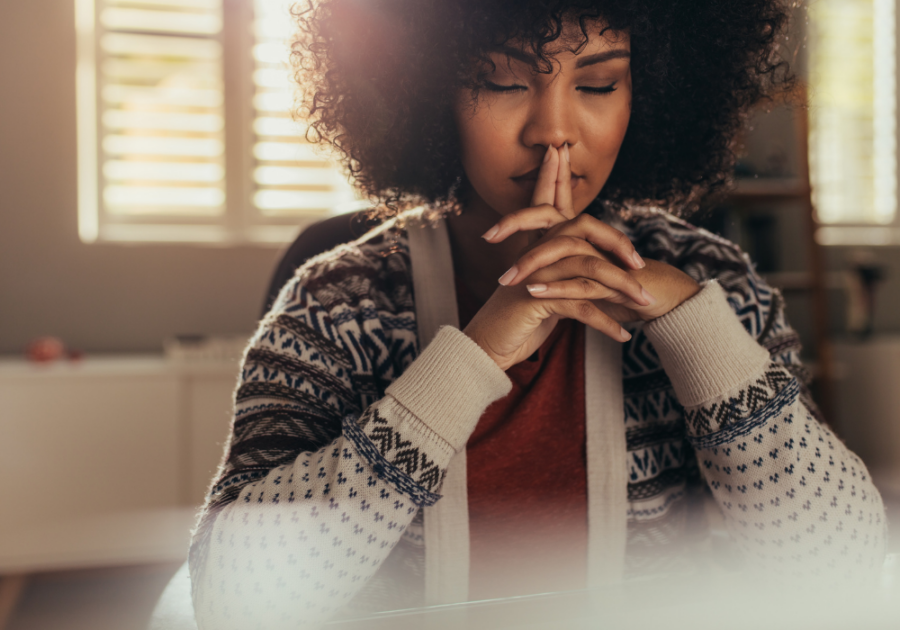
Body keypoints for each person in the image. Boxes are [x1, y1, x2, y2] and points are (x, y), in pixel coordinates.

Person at [188, 1, 887, 627]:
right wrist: (478, 353)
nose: (554, 131)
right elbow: (232, 600)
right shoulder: (341, 302)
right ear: (428, 90)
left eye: (598, 84)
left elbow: (841, 571)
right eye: (501, 81)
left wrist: (691, 328)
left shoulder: (714, 284)